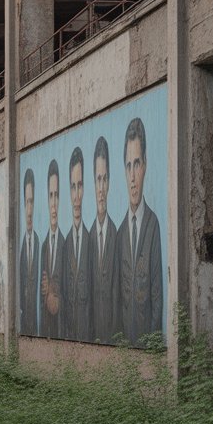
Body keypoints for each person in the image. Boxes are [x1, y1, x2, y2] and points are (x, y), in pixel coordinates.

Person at [117, 118, 163, 345]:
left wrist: (151, 349)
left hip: (147, 348)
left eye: (137, 164)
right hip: (125, 350)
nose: (133, 177)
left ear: (144, 165)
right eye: (128, 166)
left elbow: (157, 296)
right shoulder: (120, 233)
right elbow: (117, 299)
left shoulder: (153, 225)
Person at [89, 136, 120, 343]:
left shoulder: (117, 234)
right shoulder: (88, 237)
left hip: (113, 334)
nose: (100, 188)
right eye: (97, 179)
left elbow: (118, 294)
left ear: (108, 182)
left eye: (104, 179)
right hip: (92, 335)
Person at [62, 146, 94, 342]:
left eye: (79, 186)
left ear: (84, 189)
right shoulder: (65, 244)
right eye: (72, 186)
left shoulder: (92, 242)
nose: (76, 196)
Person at [39, 159, 64, 339]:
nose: (53, 203)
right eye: (50, 195)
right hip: (46, 330)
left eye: (56, 195)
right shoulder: (43, 247)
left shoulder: (67, 244)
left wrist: (54, 293)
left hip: (64, 330)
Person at [18, 168, 40, 336]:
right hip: (24, 324)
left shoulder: (40, 243)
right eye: (27, 202)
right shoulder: (20, 249)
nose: (30, 210)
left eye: (32, 202)